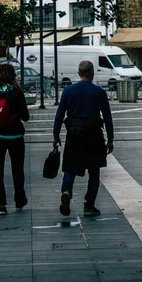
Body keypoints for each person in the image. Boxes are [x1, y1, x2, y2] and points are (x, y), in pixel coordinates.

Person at [53, 60, 114, 217]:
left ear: (79, 74)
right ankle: (89, 205)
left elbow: (60, 114)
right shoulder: (99, 92)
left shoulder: (69, 90)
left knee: (70, 168)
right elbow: (107, 117)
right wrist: (110, 140)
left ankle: (66, 191)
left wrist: (56, 135)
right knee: (94, 172)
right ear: (92, 74)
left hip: (74, 134)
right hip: (94, 135)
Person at [0, 64, 30, 215]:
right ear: (13, 75)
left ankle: (1, 205)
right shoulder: (16, 91)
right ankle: (19, 200)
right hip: (15, 136)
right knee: (17, 169)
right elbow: (26, 117)